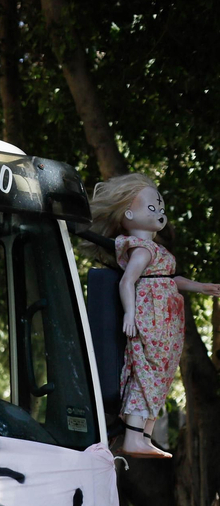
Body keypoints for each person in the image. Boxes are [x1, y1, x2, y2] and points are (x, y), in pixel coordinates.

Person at [90, 173, 220, 458]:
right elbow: (128, 282)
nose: (159, 213)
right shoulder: (141, 249)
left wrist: (200, 287)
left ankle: (143, 436)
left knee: (160, 372)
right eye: (152, 207)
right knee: (147, 369)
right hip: (151, 317)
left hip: (166, 318)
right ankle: (134, 436)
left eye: (160, 207)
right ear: (128, 213)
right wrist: (130, 313)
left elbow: (169, 279)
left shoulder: (155, 251)